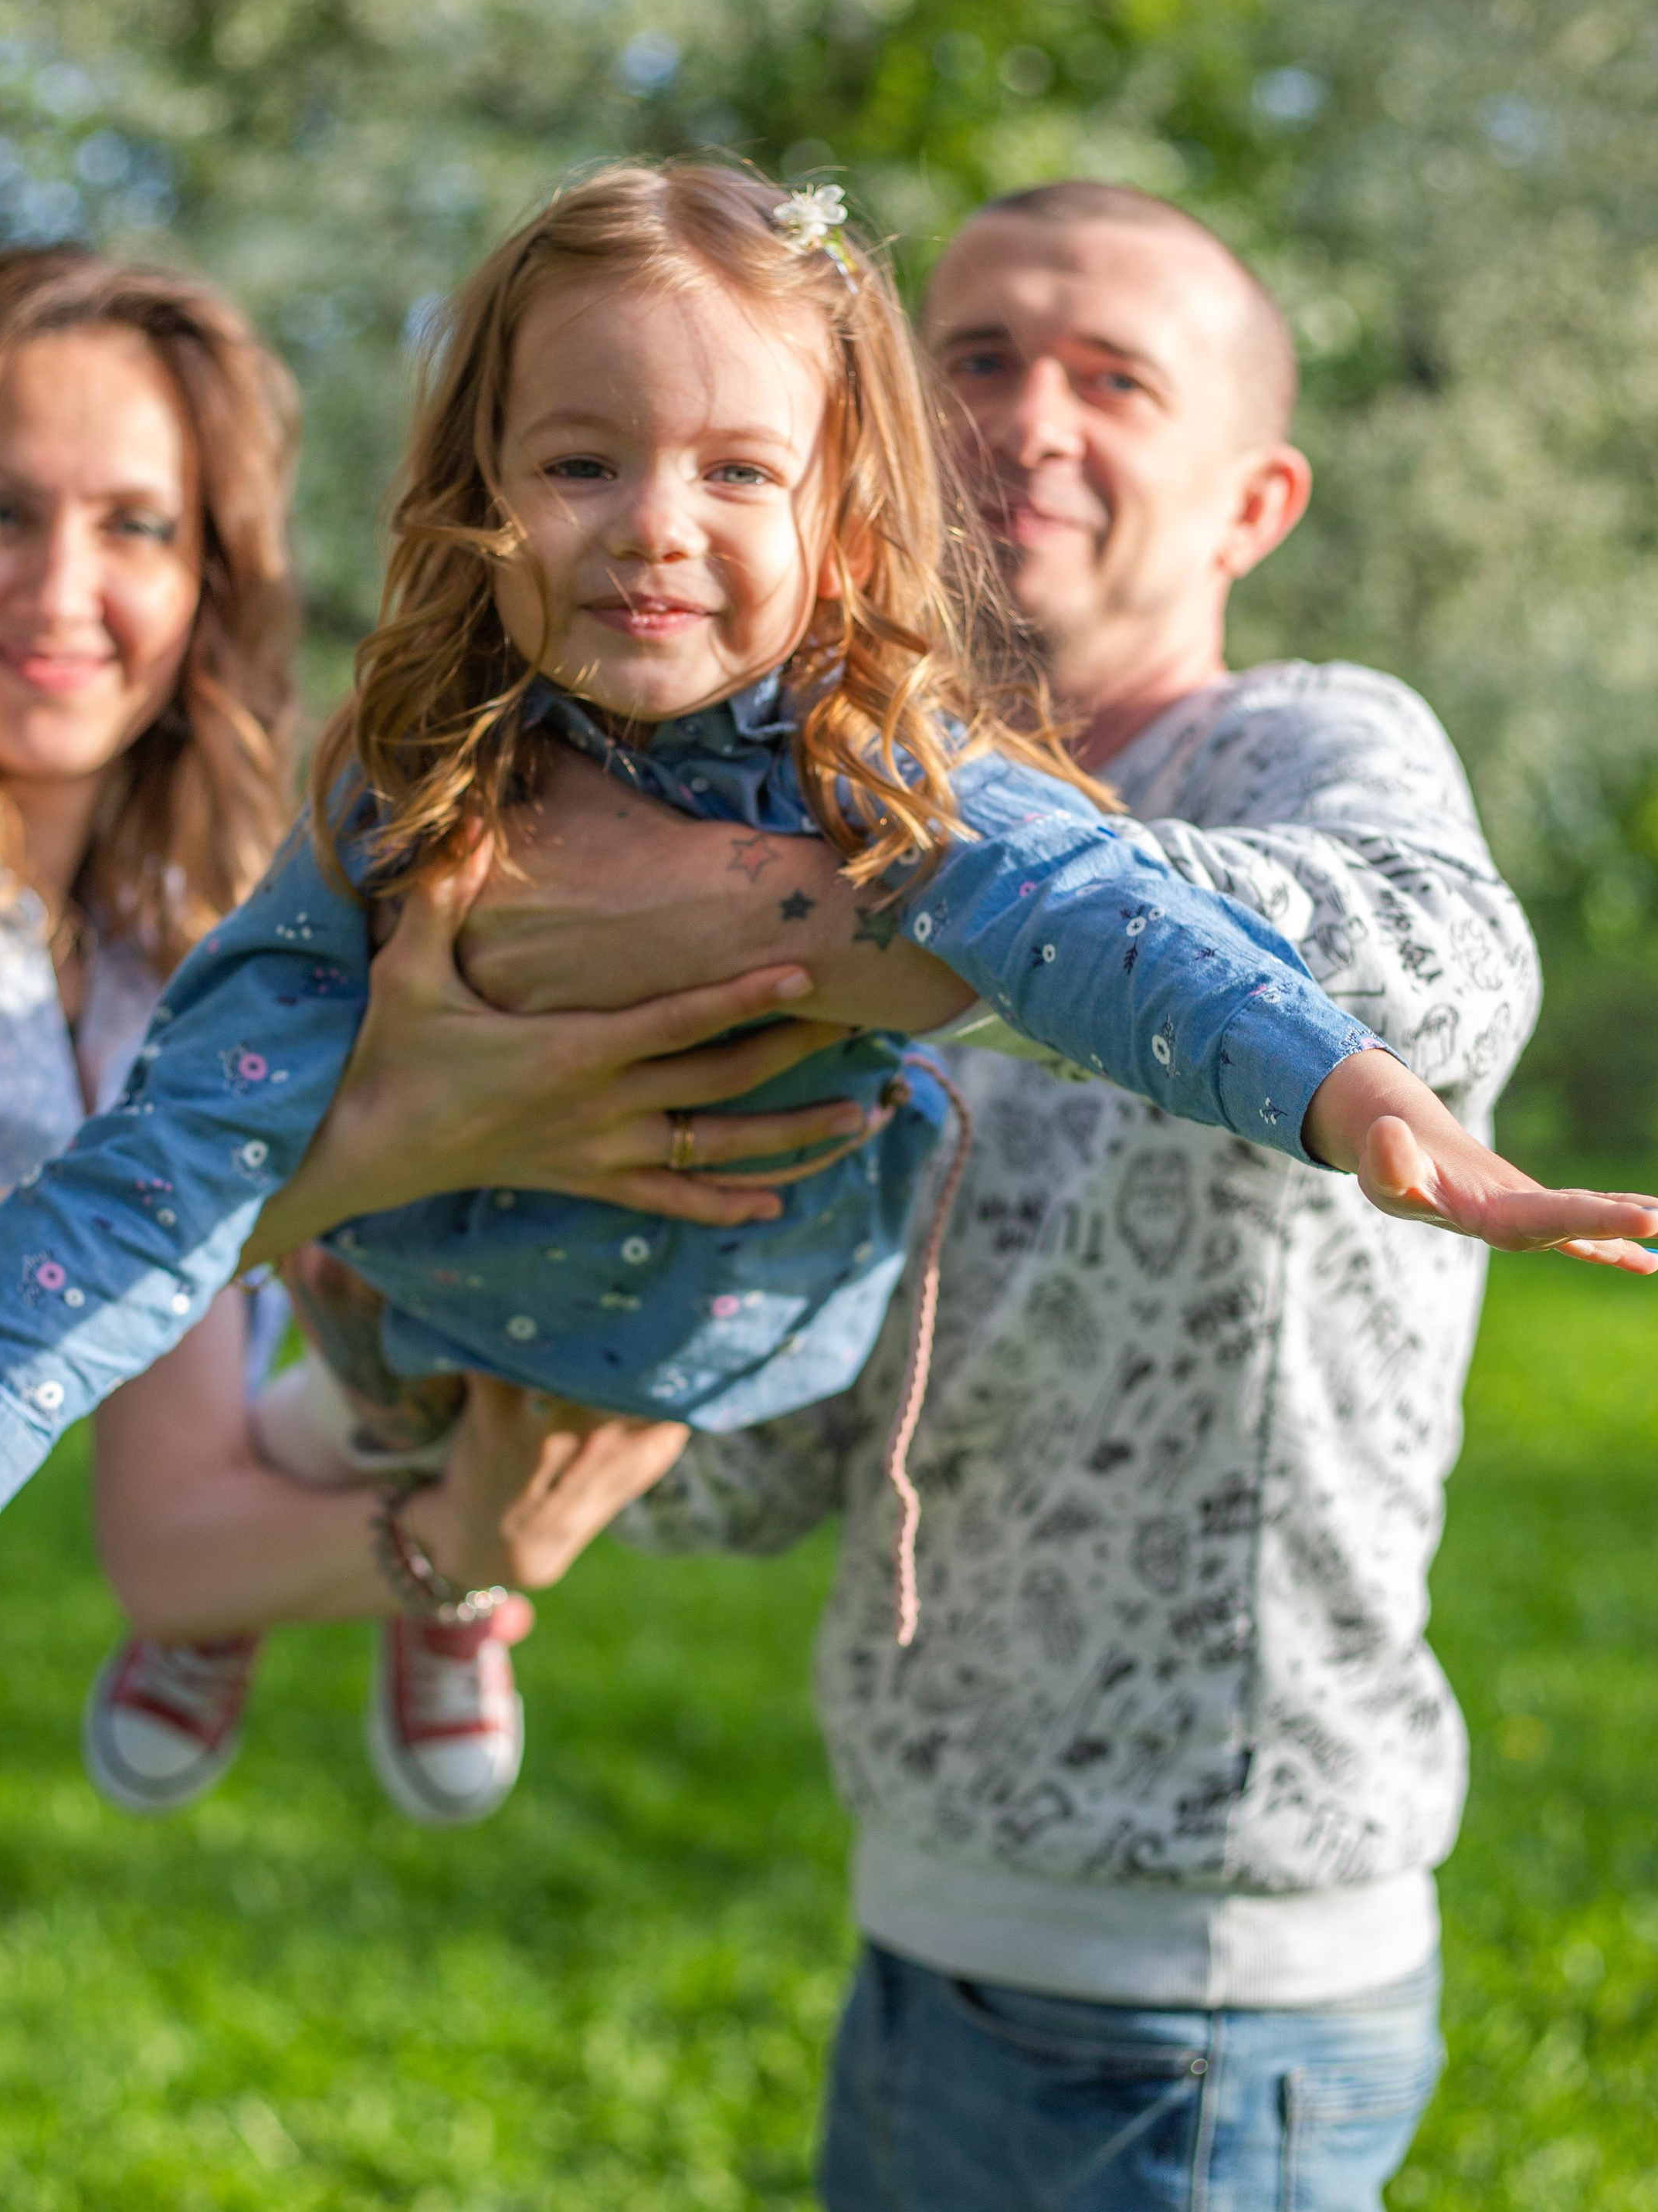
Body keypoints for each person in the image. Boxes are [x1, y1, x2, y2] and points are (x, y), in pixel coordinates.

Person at [0, 162, 1649, 1714]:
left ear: (846, 534)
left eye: (734, 472)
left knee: (451, 1465)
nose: (650, 523)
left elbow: (1110, 924)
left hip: (723, 1366)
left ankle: (424, 1603)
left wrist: (1349, 1092)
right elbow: (161, 1173)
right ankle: (390, 1605)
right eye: (578, 462)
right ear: (477, 503)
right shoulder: (396, 811)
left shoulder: (892, 772)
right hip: (435, 1339)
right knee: (350, 1396)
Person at [457, 180, 1556, 2210]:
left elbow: (1450, 957)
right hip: (927, 1932)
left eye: (1114, 377)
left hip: (1206, 1991)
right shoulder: (820, 821)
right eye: (974, 359)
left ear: (1251, 506)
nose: (1029, 417)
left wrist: (918, 910)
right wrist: (470, 1350)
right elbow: (776, 1461)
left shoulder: (1300, 746)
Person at [0, 243, 754, 2212]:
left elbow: (174, 1530)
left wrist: (467, 1544)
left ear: (213, 584)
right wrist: (340, 1143)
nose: (62, 591)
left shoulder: (169, 974)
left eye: (136, 527)